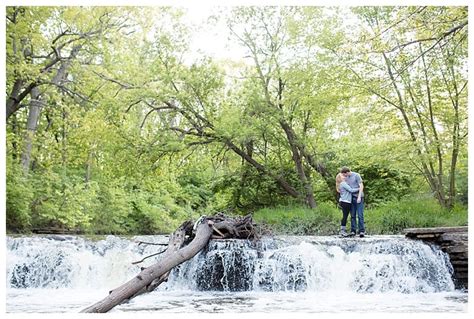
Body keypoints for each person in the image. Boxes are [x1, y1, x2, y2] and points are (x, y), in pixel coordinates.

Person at [340, 166, 365, 237]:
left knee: (360, 215)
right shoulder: (346, 178)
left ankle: (361, 231)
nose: (344, 176)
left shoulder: (356, 175)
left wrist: (359, 197)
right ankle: (353, 230)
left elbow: (361, 186)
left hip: (359, 197)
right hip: (351, 198)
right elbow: (347, 188)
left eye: (344, 174)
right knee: (353, 215)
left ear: (347, 172)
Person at [335, 173, 359, 237]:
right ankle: (342, 231)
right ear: (340, 178)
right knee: (345, 216)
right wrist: (359, 189)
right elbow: (351, 190)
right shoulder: (343, 184)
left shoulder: (341, 184)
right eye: (342, 175)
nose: (344, 176)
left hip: (343, 201)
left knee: (345, 216)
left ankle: (343, 230)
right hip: (346, 202)